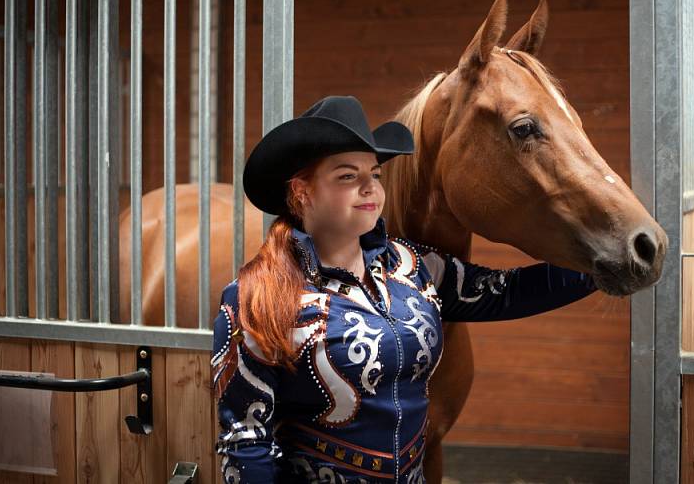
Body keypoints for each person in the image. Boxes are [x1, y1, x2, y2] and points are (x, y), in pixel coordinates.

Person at [211, 95, 598, 483]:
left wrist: (602, 265)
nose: (370, 188)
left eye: (374, 175)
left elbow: (506, 291)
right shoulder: (254, 296)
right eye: (348, 176)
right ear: (302, 193)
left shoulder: (414, 265)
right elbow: (246, 441)